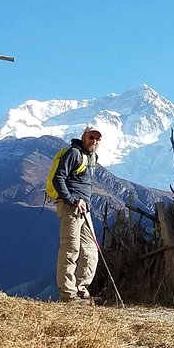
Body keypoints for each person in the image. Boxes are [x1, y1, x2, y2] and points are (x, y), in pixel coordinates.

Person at [52, 126, 101, 304]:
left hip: (84, 209)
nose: (93, 141)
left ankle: (80, 290)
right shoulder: (74, 153)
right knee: (70, 249)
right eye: (91, 137)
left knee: (90, 251)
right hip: (71, 207)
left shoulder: (91, 157)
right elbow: (58, 178)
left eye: (96, 139)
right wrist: (72, 200)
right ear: (83, 137)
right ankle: (67, 295)